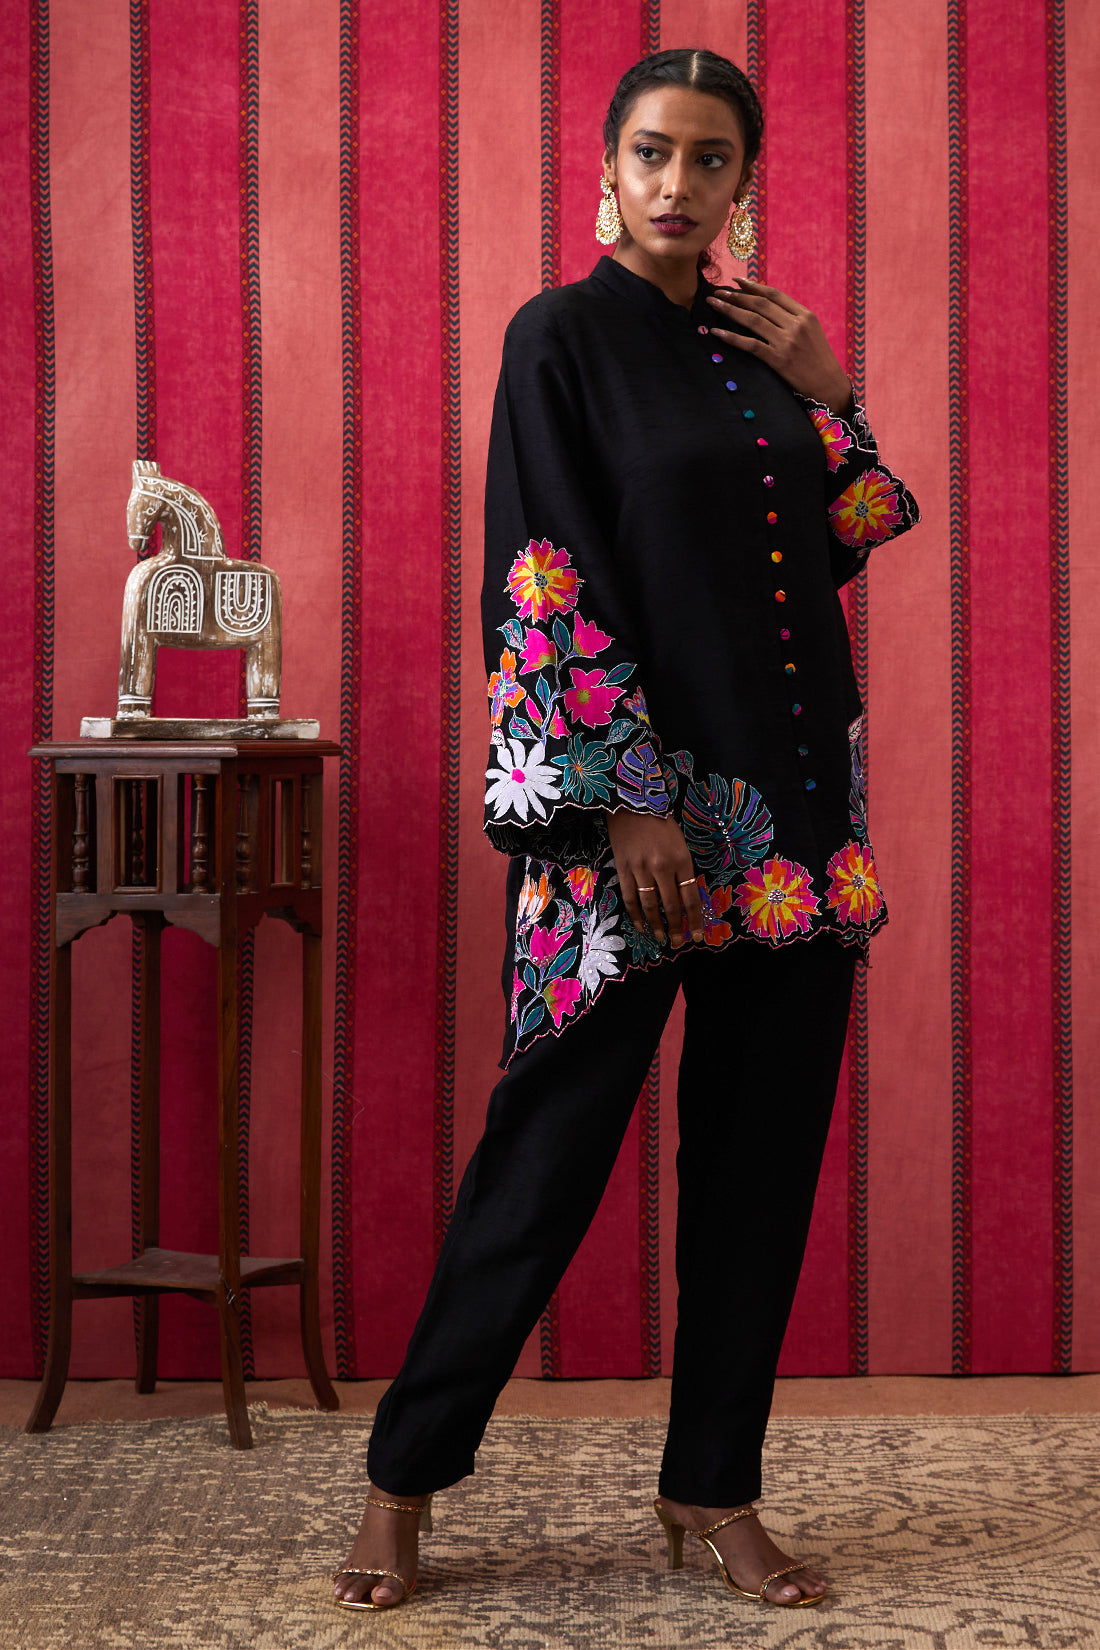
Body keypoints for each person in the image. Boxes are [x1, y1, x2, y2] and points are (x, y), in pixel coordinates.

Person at [333, 45, 919, 1614]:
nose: (679, 182)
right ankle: (403, 1479)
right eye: (654, 151)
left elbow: (851, 529)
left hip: (796, 829)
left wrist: (832, 393)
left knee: (758, 1174)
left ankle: (712, 1488)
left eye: (710, 159)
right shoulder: (561, 339)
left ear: (744, 183)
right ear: (609, 167)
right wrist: (626, 804)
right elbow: (542, 578)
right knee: (544, 1159)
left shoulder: (761, 346)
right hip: (632, 829)